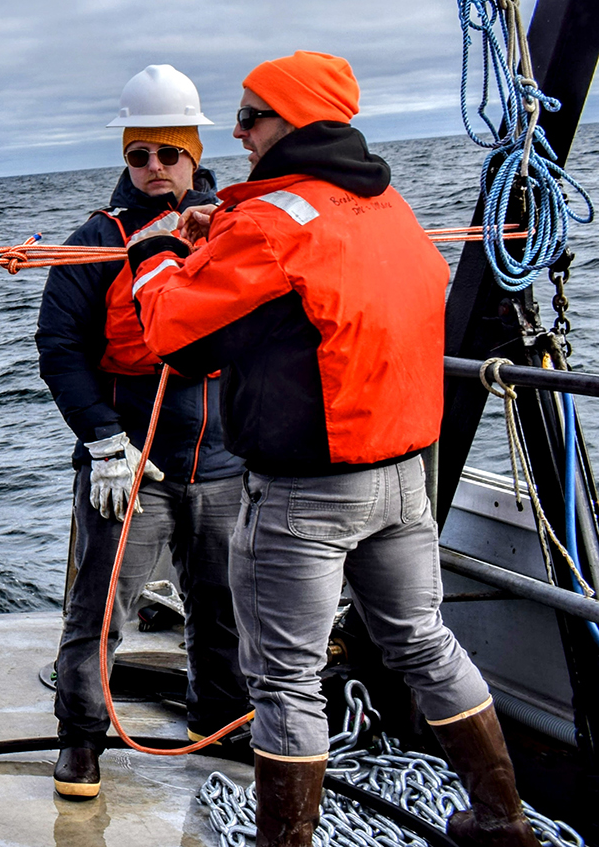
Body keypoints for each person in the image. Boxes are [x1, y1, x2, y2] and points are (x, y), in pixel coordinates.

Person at [126, 51, 538, 847]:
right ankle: (503, 820)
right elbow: (327, 291)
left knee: (285, 682)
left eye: (250, 117)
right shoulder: (389, 206)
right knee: (424, 642)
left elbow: (174, 336)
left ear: (295, 123)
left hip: (305, 495)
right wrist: (222, 236)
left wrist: (152, 254)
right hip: (405, 479)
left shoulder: (270, 223)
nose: (237, 133)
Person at [35, 65, 251, 799]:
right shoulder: (95, 242)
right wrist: (104, 442)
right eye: (139, 154)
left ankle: (222, 721)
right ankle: (81, 740)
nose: (154, 167)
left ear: (195, 153)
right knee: (99, 611)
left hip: (224, 462)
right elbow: (59, 349)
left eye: (169, 152)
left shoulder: (236, 228)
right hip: (130, 464)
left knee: (224, 607)